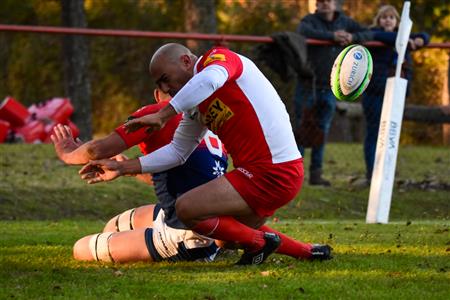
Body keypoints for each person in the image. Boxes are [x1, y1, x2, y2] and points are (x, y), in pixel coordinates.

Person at [78, 43, 332, 265]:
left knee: (186, 208)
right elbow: (178, 152)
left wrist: (163, 114)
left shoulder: (217, 59)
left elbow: (210, 80)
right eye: (159, 85)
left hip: (270, 171)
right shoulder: (194, 105)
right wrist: (123, 167)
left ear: (187, 61)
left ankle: (259, 242)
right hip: (268, 174)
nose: (166, 87)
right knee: (226, 239)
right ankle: (305, 252)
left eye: (165, 78)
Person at [51, 89, 228, 263]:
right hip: (210, 222)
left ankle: (196, 248)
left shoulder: (157, 113)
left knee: (81, 248)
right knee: (113, 226)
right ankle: (216, 240)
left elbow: (95, 149)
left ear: (158, 93)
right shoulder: (210, 119)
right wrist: (124, 166)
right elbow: (180, 177)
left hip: (186, 235)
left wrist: (68, 153)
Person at [294, 0, 374, 186]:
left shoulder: (345, 22)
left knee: (322, 130)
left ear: (334, 4)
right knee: (301, 129)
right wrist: (332, 36)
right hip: (308, 84)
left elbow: (368, 33)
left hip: (330, 87)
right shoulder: (310, 20)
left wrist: (352, 37)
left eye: (327, 1)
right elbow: (303, 31)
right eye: (320, 1)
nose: (324, 4)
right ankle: (295, 175)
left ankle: (316, 174)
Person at [362, 4, 430, 182]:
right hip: (374, 92)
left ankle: (386, 173)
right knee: (375, 132)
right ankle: (372, 173)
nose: (387, 20)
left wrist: (421, 39)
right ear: (379, 20)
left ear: (397, 21)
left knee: (390, 132)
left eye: (391, 17)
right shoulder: (374, 35)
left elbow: (424, 36)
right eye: (384, 17)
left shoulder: (404, 36)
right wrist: (403, 39)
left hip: (396, 91)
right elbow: (381, 36)